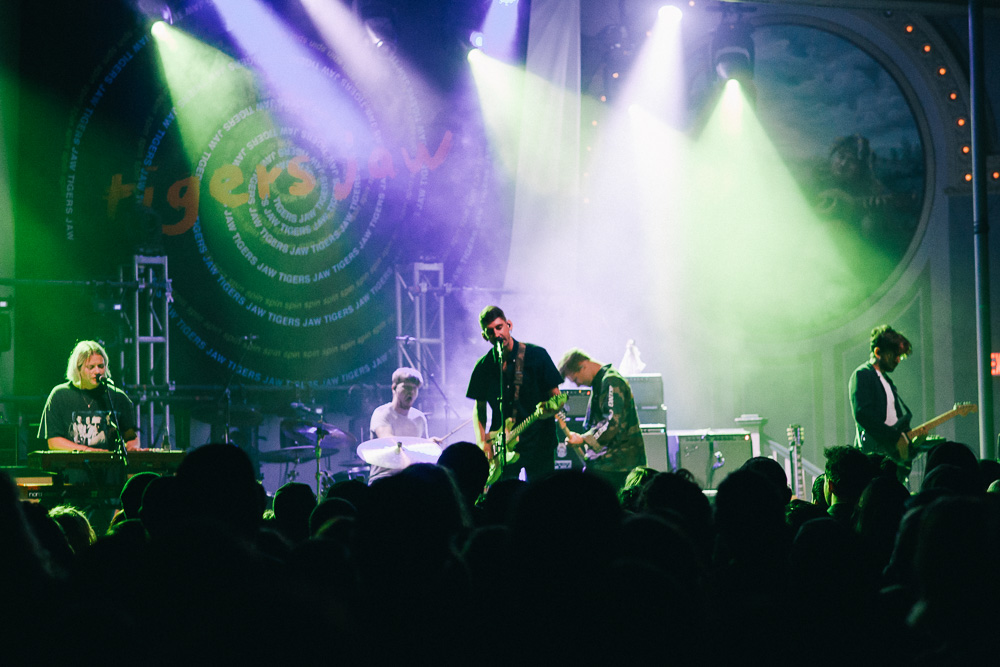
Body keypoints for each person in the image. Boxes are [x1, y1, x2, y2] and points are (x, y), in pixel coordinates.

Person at [466, 305, 562, 483]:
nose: (496, 334)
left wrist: (552, 408)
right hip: (502, 444)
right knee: (503, 496)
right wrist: (482, 441)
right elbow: (479, 408)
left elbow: (557, 397)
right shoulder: (483, 366)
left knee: (542, 494)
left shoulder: (537, 355)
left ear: (509, 325)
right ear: (484, 336)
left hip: (539, 442)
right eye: (490, 331)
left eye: (499, 327)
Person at [557, 348, 646, 490]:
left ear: (583, 365)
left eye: (576, 379)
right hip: (610, 464)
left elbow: (611, 422)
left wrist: (583, 439)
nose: (578, 385)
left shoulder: (611, 381)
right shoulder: (602, 383)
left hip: (618, 465)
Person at [37, 340, 139, 451]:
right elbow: (54, 442)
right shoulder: (60, 395)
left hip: (109, 462)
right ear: (78, 368)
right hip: (72, 462)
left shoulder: (118, 397)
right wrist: (87, 450)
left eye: (101, 366)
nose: (97, 371)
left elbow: (131, 437)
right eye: (91, 367)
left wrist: (132, 447)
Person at [849, 325, 913, 463]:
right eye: (894, 355)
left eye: (899, 356)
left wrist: (910, 436)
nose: (898, 360)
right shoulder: (862, 374)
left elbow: (897, 420)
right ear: (878, 352)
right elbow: (862, 413)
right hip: (870, 457)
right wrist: (894, 437)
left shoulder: (889, 383)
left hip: (889, 457)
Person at [367, 367, 438, 484]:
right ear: (394, 388)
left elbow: (421, 455)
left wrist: (429, 445)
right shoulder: (382, 413)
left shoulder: (419, 418)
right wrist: (422, 445)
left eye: (415, 388)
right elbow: (390, 443)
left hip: (408, 479)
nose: (411, 392)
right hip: (383, 479)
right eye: (406, 387)